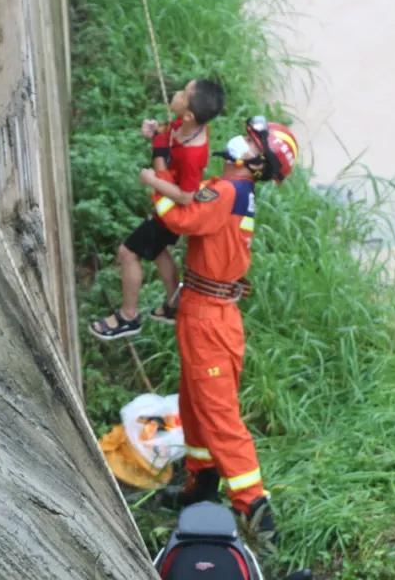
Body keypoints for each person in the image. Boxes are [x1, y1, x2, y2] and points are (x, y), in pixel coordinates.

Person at [143, 116, 299, 548]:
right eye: (248, 138)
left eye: (251, 144)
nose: (242, 143)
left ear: (256, 165)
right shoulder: (232, 191)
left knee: (217, 411)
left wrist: (155, 177)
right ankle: (201, 484)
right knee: (194, 402)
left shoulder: (228, 192)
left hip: (210, 315)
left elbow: (177, 217)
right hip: (207, 308)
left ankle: (255, 509)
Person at [89, 79, 225, 341]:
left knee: (127, 253)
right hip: (166, 207)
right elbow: (169, 134)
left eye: (183, 94)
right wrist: (156, 131)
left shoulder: (193, 154)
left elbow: (187, 197)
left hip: (171, 213)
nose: (176, 93)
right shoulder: (187, 127)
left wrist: (152, 180)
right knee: (158, 251)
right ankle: (174, 304)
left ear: (188, 114)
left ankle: (128, 317)